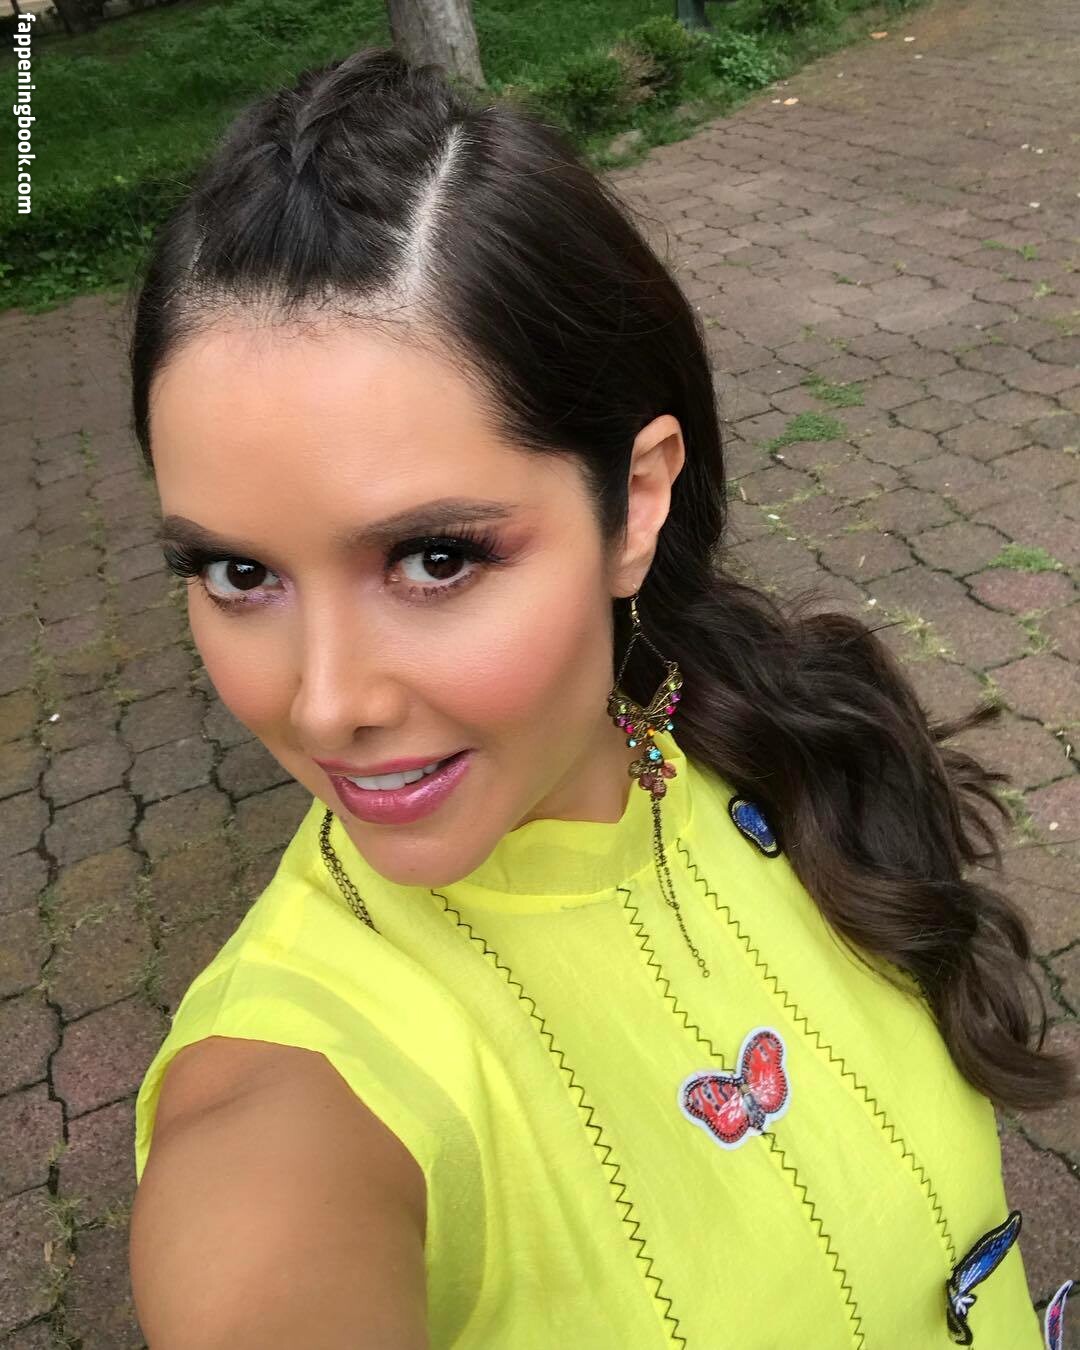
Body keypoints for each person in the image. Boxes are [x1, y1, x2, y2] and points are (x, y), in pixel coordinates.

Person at [126, 45, 1075, 1350]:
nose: (326, 703)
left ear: (634, 501)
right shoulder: (290, 1115)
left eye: (434, 559)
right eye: (237, 573)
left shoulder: (758, 729)